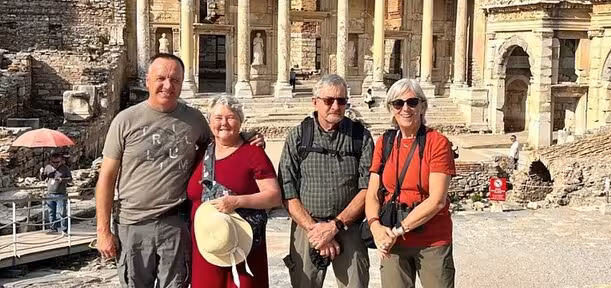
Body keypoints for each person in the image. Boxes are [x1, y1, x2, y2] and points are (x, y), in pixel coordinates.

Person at [95, 53, 266, 287]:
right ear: (147, 81)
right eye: (161, 78)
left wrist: (247, 139)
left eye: (175, 80)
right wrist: (103, 232)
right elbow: (106, 178)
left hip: (175, 224)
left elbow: (221, 142)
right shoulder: (125, 120)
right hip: (133, 225)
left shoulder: (194, 120)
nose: (168, 85)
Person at [278, 74, 374, 288]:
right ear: (315, 102)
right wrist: (316, 230)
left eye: (341, 101)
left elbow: (368, 188)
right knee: (304, 283)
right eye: (329, 100)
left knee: (355, 284)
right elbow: (287, 189)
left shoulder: (361, 137)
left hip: (349, 227)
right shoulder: (298, 136)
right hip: (307, 227)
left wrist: (335, 226)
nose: (336, 106)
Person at [365, 78, 457, 288]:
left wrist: (398, 230)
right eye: (398, 103)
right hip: (393, 240)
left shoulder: (438, 142)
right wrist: (376, 227)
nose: (405, 108)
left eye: (412, 102)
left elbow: (437, 200)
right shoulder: (384, 142)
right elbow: (372, 193)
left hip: (431, 239)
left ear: (423, 106)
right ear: (391, 109)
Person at [187, 94, 281, 288]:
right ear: (209, 122)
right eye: (218, 118)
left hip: (242, 244)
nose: (224, 123)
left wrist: (237, 202)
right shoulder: (202, 151)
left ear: (240, 121)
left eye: (231, 117)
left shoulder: (253, 153)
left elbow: (273, 196)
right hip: (208, 244)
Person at [40, 151, 72, 233]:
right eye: (54, 162)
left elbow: (70, 179)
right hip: (50, 194)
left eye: (57, 162)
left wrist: (62, 180)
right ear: (50, 161)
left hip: (61, 194)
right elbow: (42, 178)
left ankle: (64, 230)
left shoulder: (65, 168)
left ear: (61, 160)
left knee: (62, 213)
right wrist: (41, 173)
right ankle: (53, 228)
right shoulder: (47, 167)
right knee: (51, 212)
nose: (55, 164)